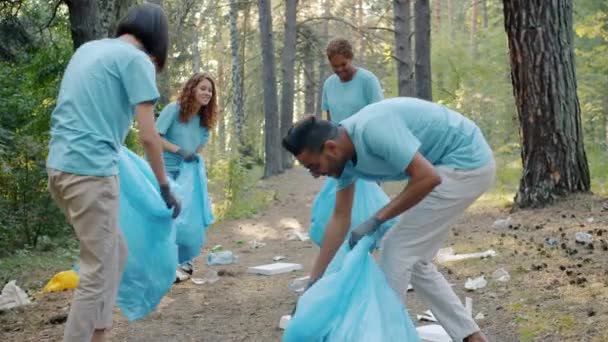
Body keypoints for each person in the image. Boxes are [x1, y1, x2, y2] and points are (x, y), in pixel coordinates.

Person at [282, 97, 495, 342]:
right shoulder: (343, 159)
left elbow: (427, 177)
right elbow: (340, 219)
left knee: (396, 248)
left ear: (330, 148)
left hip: (466, 163)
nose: (315, 174)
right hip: (445, 168)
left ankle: (383, 334)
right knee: (414, 260)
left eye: (314, 166)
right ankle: (471, 337)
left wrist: (377, 219)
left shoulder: (373, 130)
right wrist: (313, 285)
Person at [46, 4, 180, 342]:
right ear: (158, 39)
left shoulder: (90, 49)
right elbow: (150, 136)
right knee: (96, 270)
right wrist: (164, 187)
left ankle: (98, 334)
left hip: (60, 168)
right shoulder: (138, 61)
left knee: (114, 253)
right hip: (90, 172)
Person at [309, 37, 387, 246]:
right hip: (338, 151)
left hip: (365, 149)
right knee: (340, 199)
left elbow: (379, 115)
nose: (340, 70)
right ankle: (344, 241)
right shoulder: (329, 84)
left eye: (343, 64)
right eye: (335, 66)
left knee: (368, 199)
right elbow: (329, 119)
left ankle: (370, 240)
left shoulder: (367, 81)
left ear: (351, 58)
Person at [155, 72, 218, 282]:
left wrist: (192, 161)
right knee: (166, 217)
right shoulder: (173, 110)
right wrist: (179, 150)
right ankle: (164, 264)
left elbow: (198, 150)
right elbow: (156, 137)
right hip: (164, 171)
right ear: (192, 89)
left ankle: (185, 262)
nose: (207, 93)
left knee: (188, 217)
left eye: (210, 90)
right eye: (203, 88)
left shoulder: (204, 120)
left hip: (186, 175)